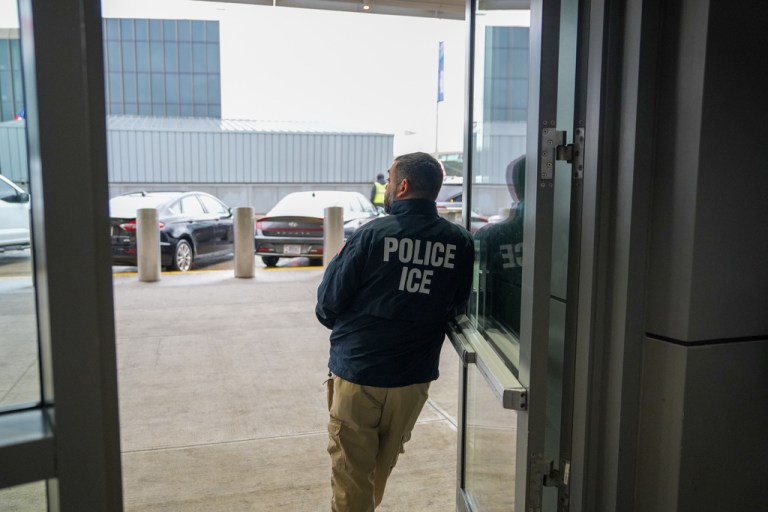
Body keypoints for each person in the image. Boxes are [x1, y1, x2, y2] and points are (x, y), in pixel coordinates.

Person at [316, 152, 474, 511]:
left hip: (360, 372)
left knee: (351, 471)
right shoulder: (460, 242)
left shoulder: (371, 234)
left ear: (402, 186)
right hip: (412, 379)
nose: (385, 187)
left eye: (388, 180)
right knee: (377, 469)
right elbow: (457, 306)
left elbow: (327, 303)